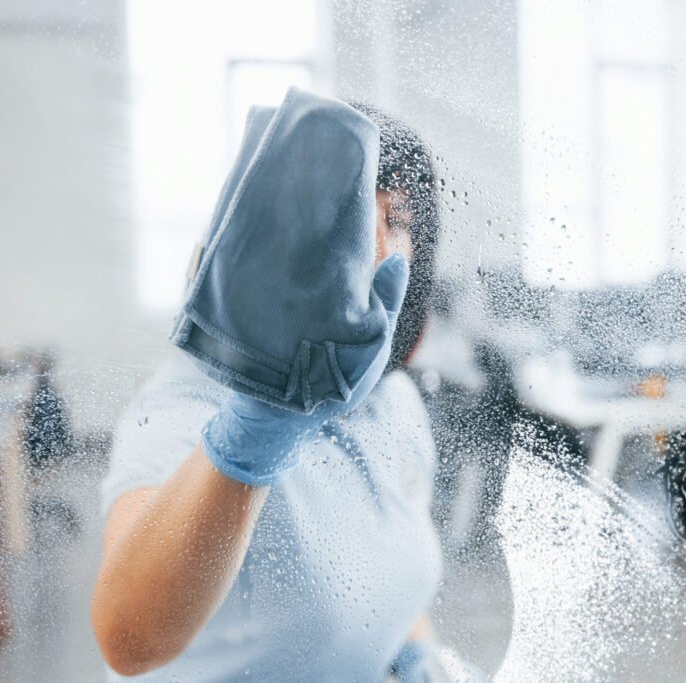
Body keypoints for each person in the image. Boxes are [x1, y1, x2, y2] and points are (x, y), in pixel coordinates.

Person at [90, 92, 446, 682]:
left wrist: (417, 657)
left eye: (397, 221)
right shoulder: (184, 411)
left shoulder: (393, 402)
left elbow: (388, 558)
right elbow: (126, 642)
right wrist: (252, 440)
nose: (377, 244)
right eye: (351, 215)